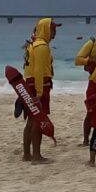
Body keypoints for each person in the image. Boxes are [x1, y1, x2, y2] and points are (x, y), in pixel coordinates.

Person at [24, 17, 59, 163]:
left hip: (30, 82)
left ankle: (27, 154)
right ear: (46, 29)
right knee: (38, 119)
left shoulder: (33, 44)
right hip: (40, 85)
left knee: (31, 120)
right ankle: (36, 156)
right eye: (53, 30)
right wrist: (39, 93)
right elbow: (38, 70)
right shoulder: (42, 46)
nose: (55, 34)